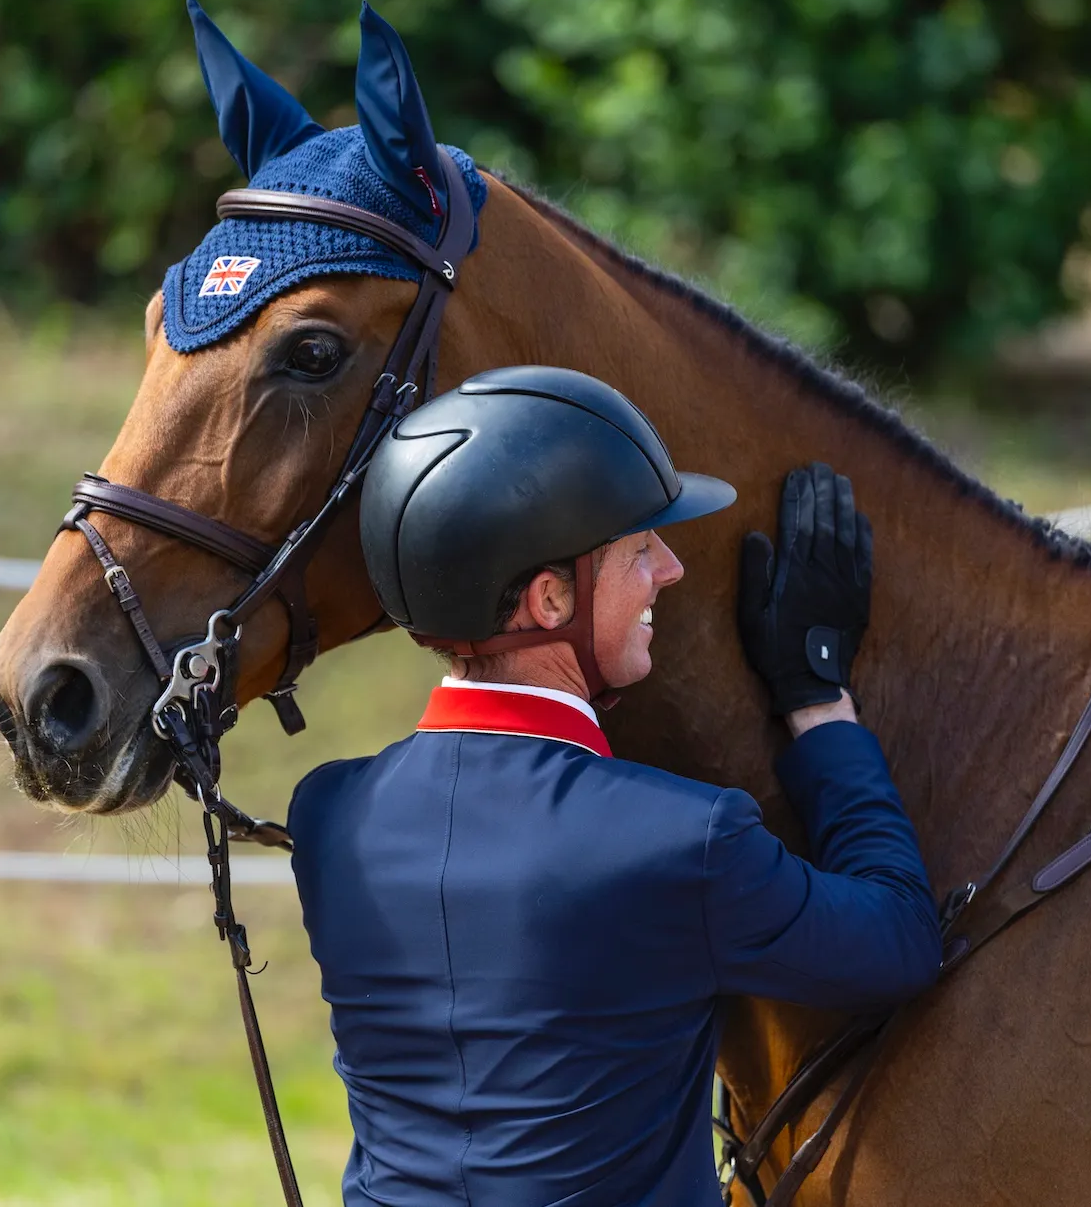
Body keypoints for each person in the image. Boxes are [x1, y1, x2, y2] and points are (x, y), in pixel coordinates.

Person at [288, 365, 939, 1206]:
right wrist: (819, 703)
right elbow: (896, 946)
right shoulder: (680, 839)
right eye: (638, 549)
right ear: (550, 597)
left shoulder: (329, 814)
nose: (668, 569)